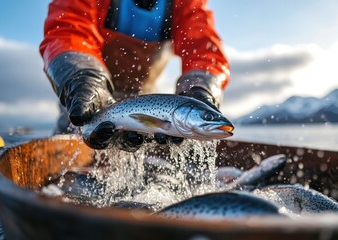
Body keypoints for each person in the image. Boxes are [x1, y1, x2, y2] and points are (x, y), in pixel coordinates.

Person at [40, 0, 230, 151]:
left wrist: (201, 88)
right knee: (74, 151)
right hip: (86, 95)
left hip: (148, 103)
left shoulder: (187, 3)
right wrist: (83, 77)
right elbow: (68, 30)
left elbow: (204, 50)